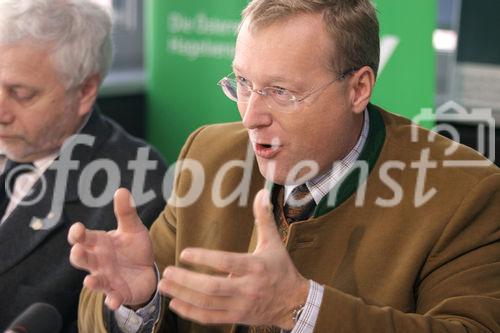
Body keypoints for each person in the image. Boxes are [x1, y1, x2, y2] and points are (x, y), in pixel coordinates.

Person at [71, 0, 500, 332]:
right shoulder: (209, 154)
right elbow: (111, 314)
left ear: (359, 88)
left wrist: (298, 307)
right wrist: (139, 300)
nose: (250, 116)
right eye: (242, 83)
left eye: (280, 92)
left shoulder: (465, 192)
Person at [0, 0, 167, 332]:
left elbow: (120, 318)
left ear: (86, 91)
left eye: (20, 94)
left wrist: (133, 306)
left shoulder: (137, 185)